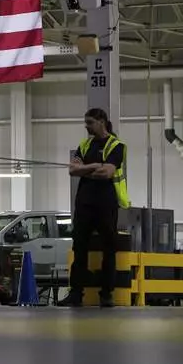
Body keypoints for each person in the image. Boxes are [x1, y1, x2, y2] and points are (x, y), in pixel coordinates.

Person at [61, 108, 128, 308]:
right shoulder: (85, 144)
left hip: (106, 204)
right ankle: (76, 294)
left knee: (109, 250)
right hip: (84, 204)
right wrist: (94, 166)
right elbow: (72, 170)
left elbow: (106, 173)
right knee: (79, 249)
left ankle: (106, 294)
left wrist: (86, 168)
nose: (86, 126)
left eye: (89, 122)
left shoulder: (117, 146)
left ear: (101, 122)